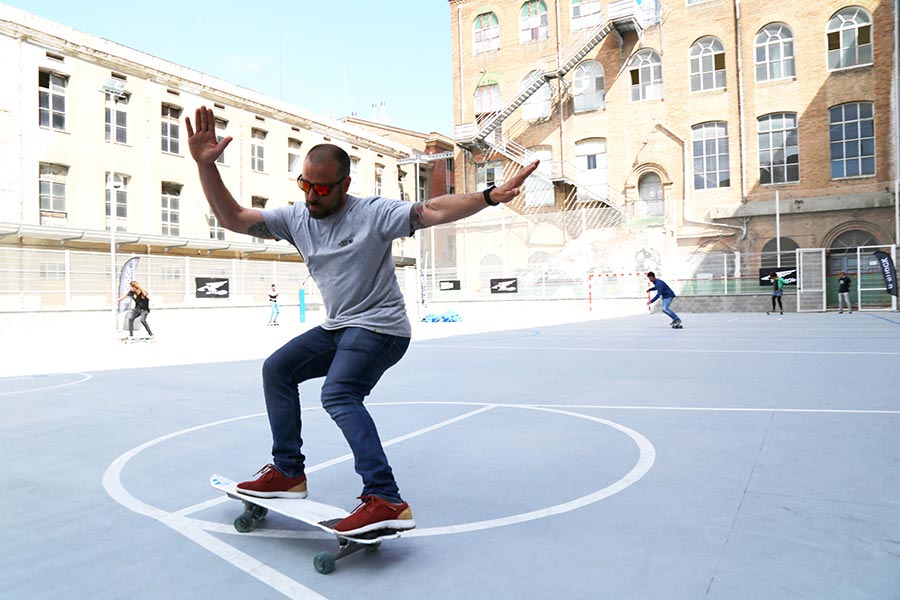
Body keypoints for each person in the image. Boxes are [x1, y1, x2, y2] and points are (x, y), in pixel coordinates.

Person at [186, 105, 539, 536]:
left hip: (382, 328)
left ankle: (386, 498)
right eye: (304, 185)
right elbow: (234, 218)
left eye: (321, 188)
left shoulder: (372, 213)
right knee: (277, 369)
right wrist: (206, 167)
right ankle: (288, 473)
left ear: (344, 185)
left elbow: (431, 210)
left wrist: (486, 197)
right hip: (339, 326)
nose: (312, 196)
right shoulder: (297, 218)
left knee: (339, 393)